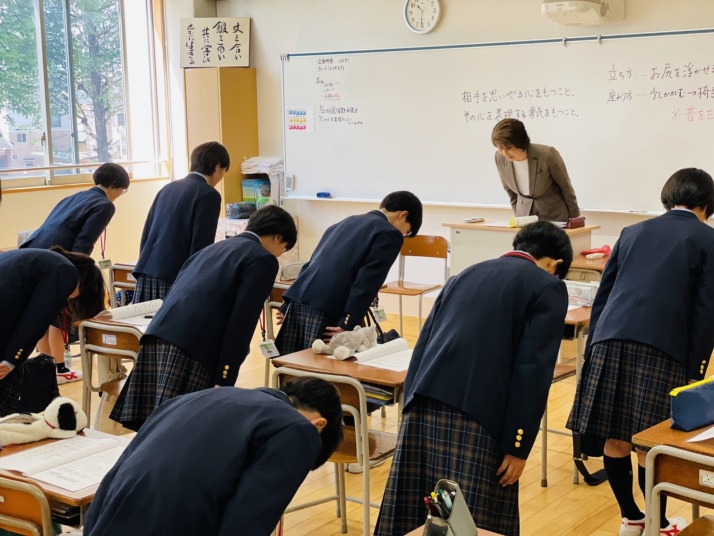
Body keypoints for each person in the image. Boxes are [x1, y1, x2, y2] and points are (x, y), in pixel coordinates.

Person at [375, 221, 573, 536]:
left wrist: (408, 406)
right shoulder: (548, 286)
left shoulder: (464, 274)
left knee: (421, 514)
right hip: (479, 416)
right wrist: (517, 444)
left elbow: (424, 345)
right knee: (471, 523)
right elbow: (532, 371)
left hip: (423, 405)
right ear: (556, 264)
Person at [567, 168, 714, 536]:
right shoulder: (708, 240)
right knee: (651, 443)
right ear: (707, 204)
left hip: (608, 340)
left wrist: (595, 345)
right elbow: (706, 311)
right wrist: (696, 368)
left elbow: (605, 292)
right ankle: (659, 523)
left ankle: (631, 517)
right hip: (663, 347)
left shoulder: (632, 232)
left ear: (668, 197)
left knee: (615, 437)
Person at [110, 206, 297, 431]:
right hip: (193, 347)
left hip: (157, 335)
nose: (279, 254)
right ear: (277, 237)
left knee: (155, 428)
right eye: (283, 248)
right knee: (185, 429)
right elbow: (241, 324)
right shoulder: (262, 259)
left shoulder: (212, 249)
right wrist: (225, 376)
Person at [86, 378, 343, 536]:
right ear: (319, 425)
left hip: (103, 521)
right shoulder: (297, 430)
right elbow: (247, 522)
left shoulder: (196, 397)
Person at [275, 191, 423, 355]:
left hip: (299, 302)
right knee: (323, 372)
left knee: (293, 368)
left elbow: (312, 264)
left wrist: (287, 304)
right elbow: (367, 281)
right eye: (407, 232)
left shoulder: (344, 222)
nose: (403, 235)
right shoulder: (389, 233)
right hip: (331, 308)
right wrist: (348, 322)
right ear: (403, 215)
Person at [0, 246, 106, 416]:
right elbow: (35, 320)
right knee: (6, 396)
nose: (71, 298)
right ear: (83, 281)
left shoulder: (46, 260)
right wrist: (12, 360)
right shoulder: (65, 273)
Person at [131, 141, 228, 303]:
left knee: (146, 327)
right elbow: (201, 244)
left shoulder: (167, 188)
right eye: (224, 171)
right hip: (175, 276)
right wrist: (195, 282)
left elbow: (147, 231)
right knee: (172, 327)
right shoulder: (209, 194)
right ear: (218, 167)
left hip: (146, 270)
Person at [20, 162, 130, 256]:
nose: (120, 194)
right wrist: (79, 272)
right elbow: (84, 241)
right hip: (53, 256)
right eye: (123, 190)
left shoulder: (74, 197)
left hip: (31, 249)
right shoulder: (105, 205)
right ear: (113, 184)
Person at [492, 118, 580, 222]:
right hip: (524, 218)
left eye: (509, 148)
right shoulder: (499, 158)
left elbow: (565, 187)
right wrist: (518, 214)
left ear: (520, 143)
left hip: (554, 216)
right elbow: (509, 191)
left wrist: (574, 218)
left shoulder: (547, 155)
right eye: (500, 148)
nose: (505, 154)